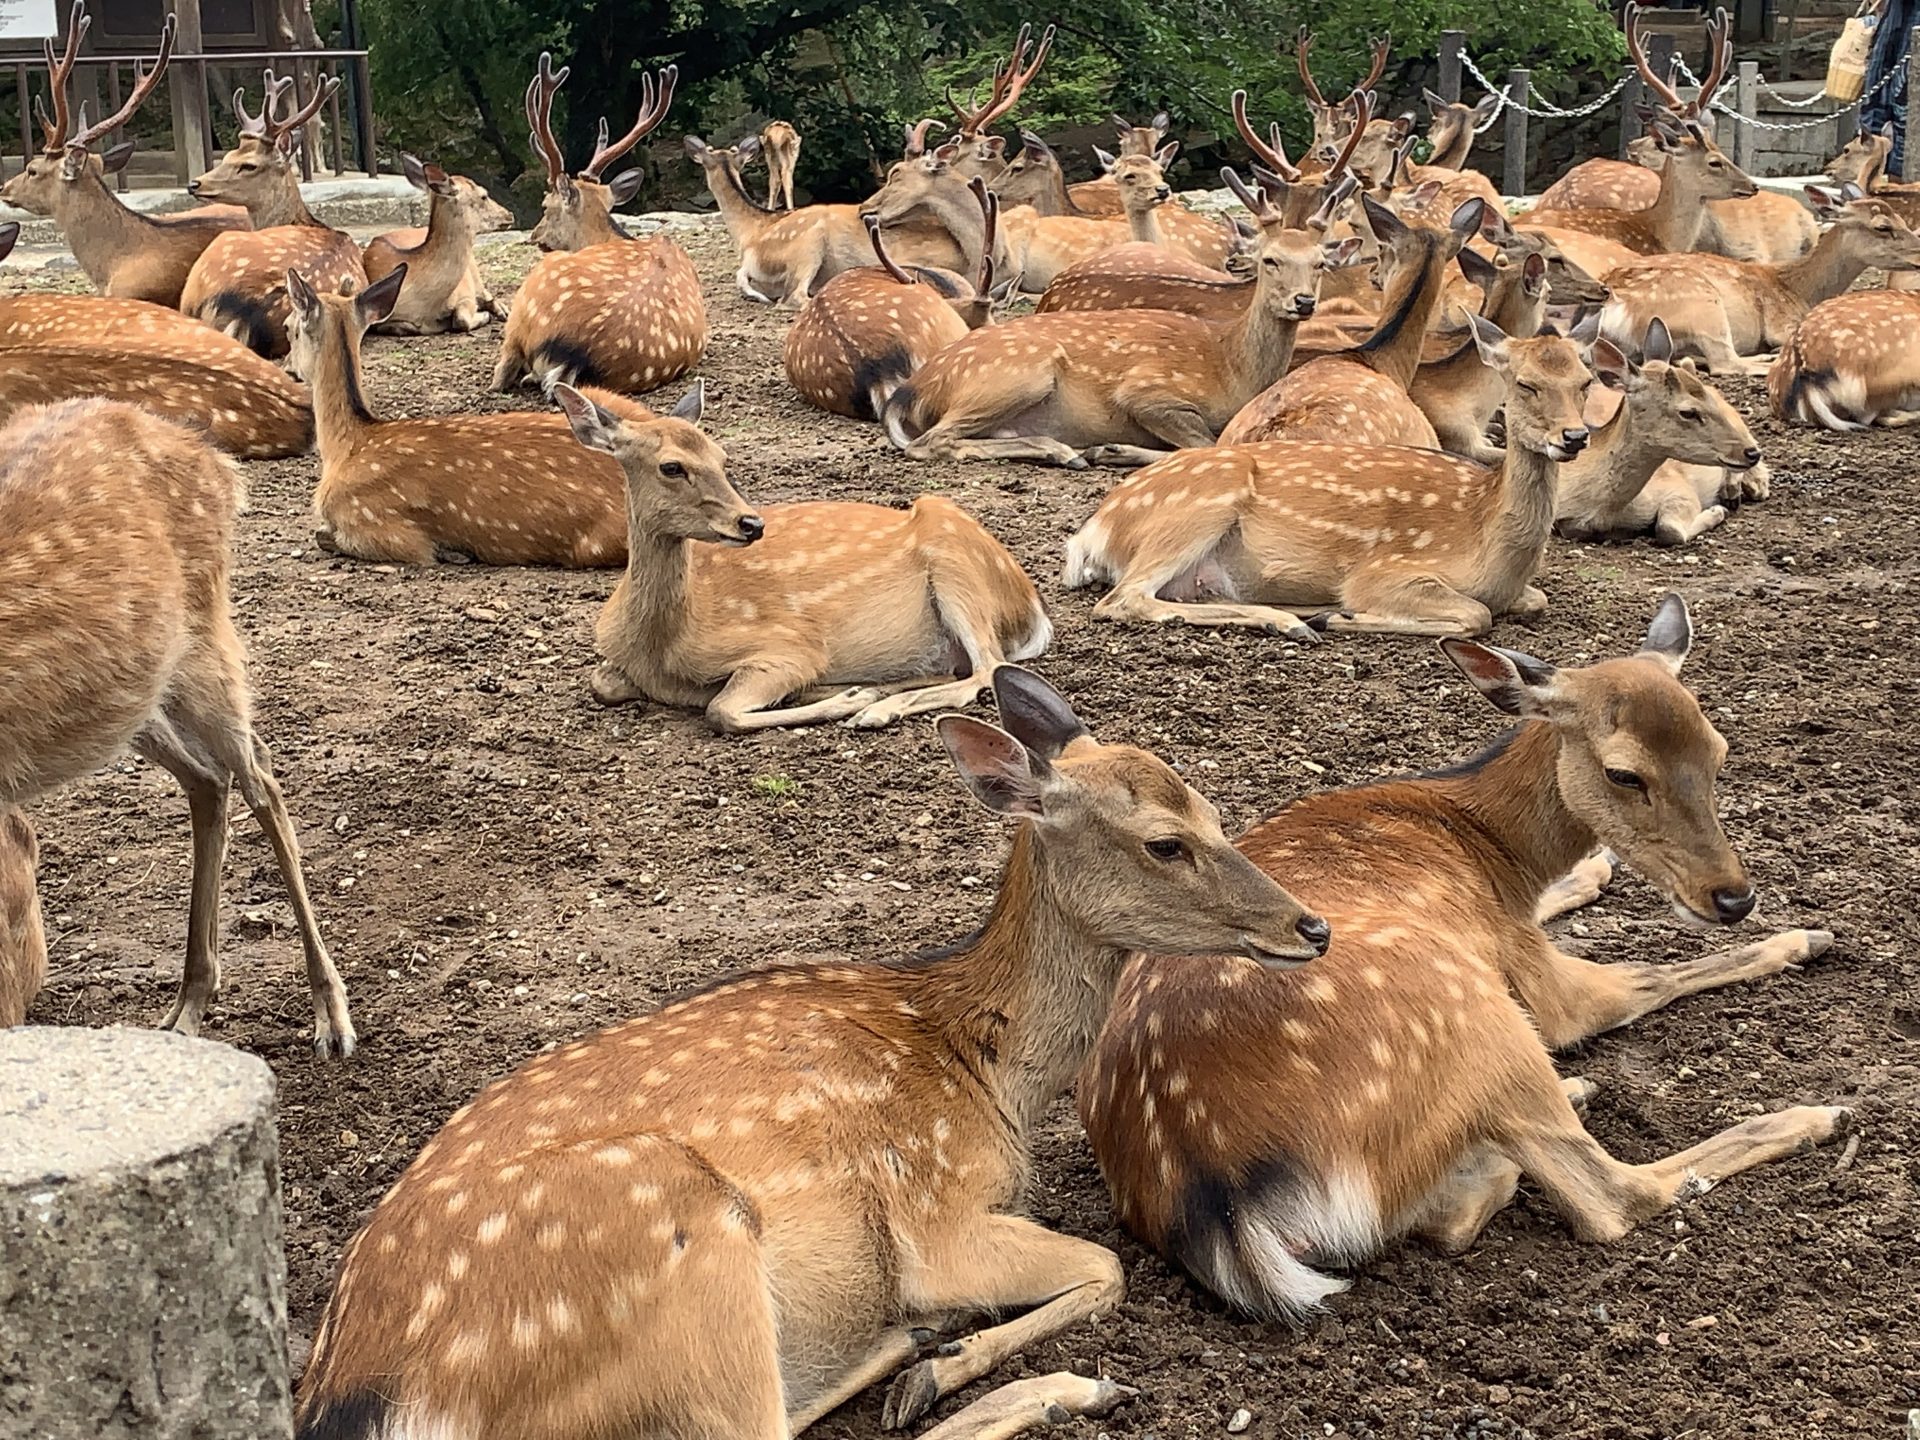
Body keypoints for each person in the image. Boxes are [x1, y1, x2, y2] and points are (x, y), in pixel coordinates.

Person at [1863, 0, 1914, 173]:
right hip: (1896, 15)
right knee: (1877, 93)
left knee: (1903, 99)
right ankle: (1870, 166)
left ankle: (1898, 173)